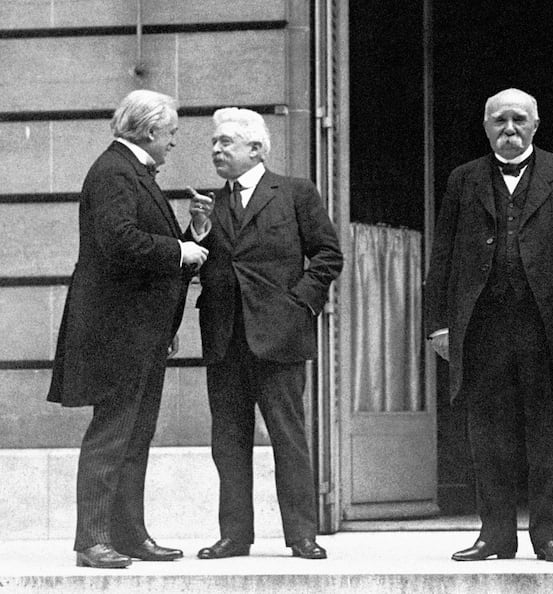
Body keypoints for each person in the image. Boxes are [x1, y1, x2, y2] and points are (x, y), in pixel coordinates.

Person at [424, 88, 553, 563]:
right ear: (486, 127)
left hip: (546, 326)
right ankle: (495, 536)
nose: (509, 129)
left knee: (546, 433)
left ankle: (548, 535)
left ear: (535, 125)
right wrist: (439, 324)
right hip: (481, 328)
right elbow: (441, 255)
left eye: (519, 120)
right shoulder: (463, 180)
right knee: (487, 434)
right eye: (500, 121)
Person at [47, 90, 209, 568]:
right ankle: (91, 541)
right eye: (172, 134)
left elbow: (136, 242)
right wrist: (182, 252)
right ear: (151, 131)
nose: (174, 143)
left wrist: (192, 233)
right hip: (119, 332)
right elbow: (119, 241)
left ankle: (128, 535)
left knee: (135, 435)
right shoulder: (116, 171)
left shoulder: (127, 171)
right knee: (114, 433)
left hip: (138, 330)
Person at [187, 107, 342, 561]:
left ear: (255, 149)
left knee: (288, 438)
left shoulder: (294, 193)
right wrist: (198, 231)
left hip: (279, 339)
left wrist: (300, 305)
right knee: (228, 442)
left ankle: (301, 536)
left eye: (225, 143)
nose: (216, 149)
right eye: (214, 143)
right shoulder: (209, 204)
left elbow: (328, 255)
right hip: (225, 338)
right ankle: (235, 536)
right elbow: (200, 261)